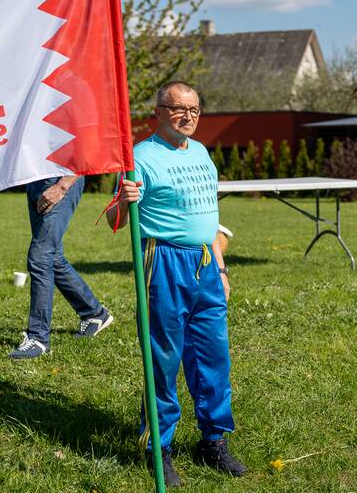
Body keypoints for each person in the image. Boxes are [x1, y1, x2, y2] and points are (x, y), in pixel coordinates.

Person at [108, 81, 246, 487]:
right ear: (159, 112)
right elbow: (118, 220)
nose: (188, 116)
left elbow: (209, 216)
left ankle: (213, 441)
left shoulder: (202, 152)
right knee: (164, 356)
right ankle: (158, 446)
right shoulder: (141, 156)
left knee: (212, 353)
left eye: (195, 110)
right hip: (163, 260)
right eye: (178, 109)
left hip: (204, 262)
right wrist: (124, 198)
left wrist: (220, 267)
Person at [9, 174, 114, 359]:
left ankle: (38, 338)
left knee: (40, 257)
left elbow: (84, 151)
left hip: (60, 181)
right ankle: (94, 314)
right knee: (53, 257)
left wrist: (62, 186)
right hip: (36, 180)